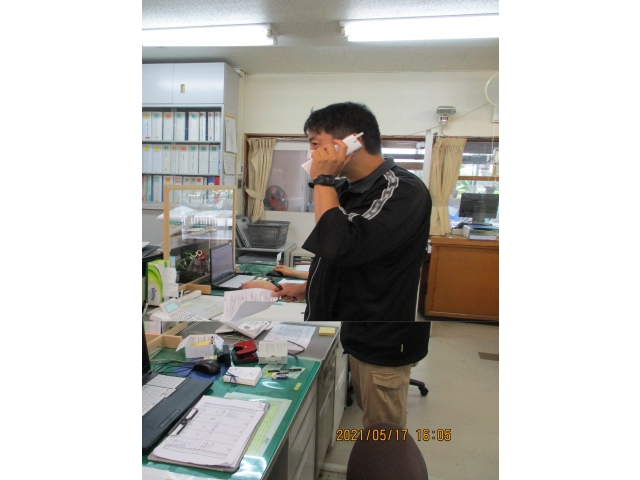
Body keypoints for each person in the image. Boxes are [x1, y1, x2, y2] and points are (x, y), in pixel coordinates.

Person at [273, 102, 433, 427]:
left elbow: (341, 246)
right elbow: (340, 258)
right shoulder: (347, 189)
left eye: (316, 144)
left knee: (383, 436)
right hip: (345, 328)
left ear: (352, 142)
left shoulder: (402, 190)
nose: (312, 154)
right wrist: (307, 288)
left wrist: (323, 179)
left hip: (380, 337)